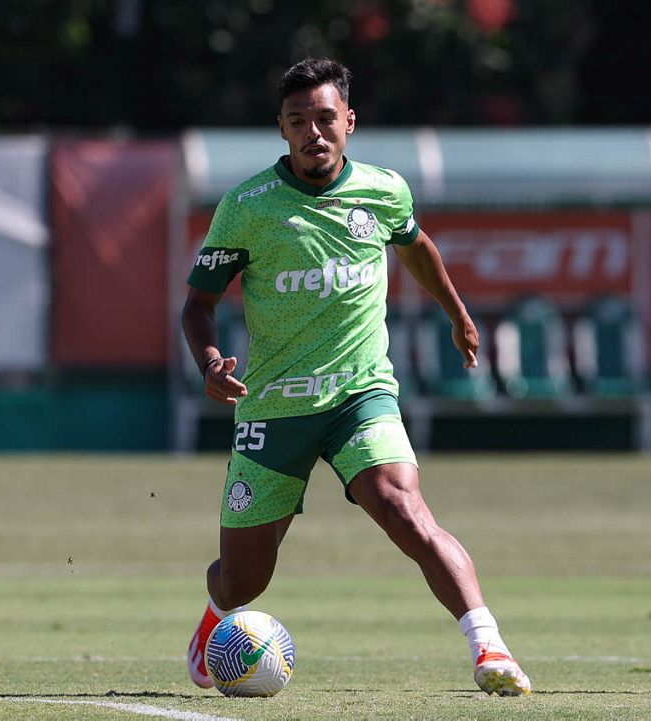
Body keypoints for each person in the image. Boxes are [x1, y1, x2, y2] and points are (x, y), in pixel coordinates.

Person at [181, 57, 530, 697]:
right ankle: (215, 614)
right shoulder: (246, 207)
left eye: (324, 118)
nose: (312, 132)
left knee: (405, 509)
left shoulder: (384, 190)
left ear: (349, 121)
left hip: (359, 396)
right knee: (244, 580)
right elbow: (198, 305)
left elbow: (416, 246)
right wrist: (209, 363)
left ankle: (491, 648)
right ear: (281, 129)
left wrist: (457, 314)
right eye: (297, 121)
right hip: (274, 407)